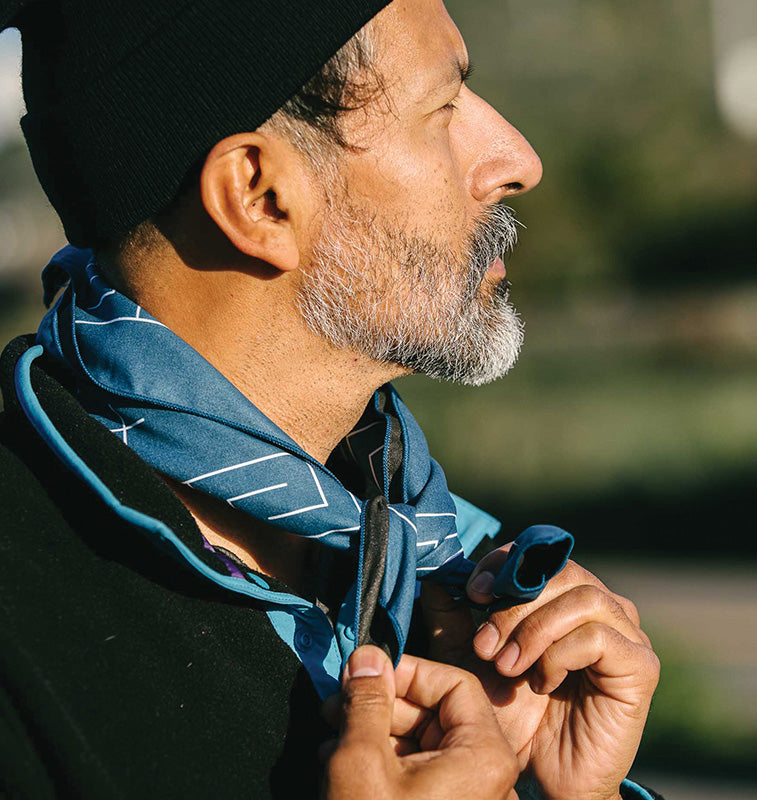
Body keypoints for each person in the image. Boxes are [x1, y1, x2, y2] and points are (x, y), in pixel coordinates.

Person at [0, 0, 662, 797]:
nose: (519, 160)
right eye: (443, 108)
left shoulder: (431, 554)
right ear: (261, 197)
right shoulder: (25, 625)